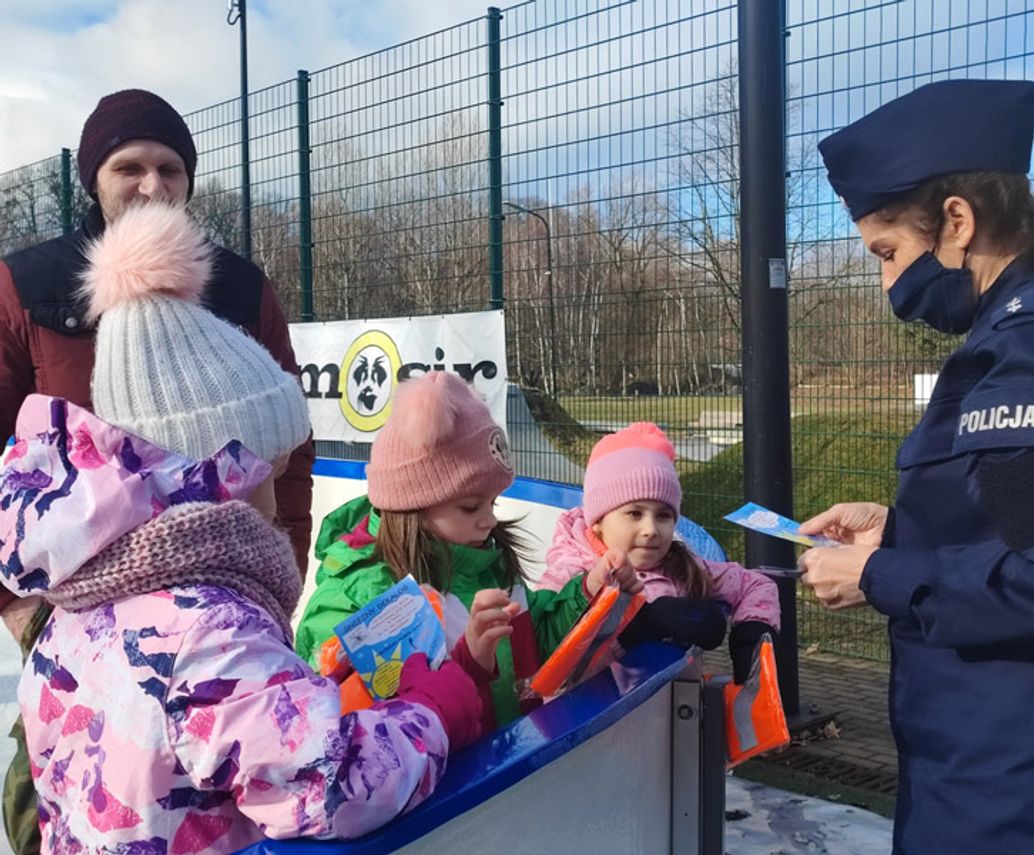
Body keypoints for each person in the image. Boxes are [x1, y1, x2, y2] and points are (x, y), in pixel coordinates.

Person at [0, 203, 482, 852]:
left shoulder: (70, 613)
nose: (277, 505)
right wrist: (436, 708)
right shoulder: (212, 634)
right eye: (267, 473)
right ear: (208, 479)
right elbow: (332, 784)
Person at [800, 78, 1034, 853]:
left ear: (957, 220)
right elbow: (1028, 522)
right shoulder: (1020, 340)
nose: (888, 283)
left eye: (887, 253)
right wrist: (903, 528)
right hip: (994, 773)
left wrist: (883, 575)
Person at [0, 88, 316, 854]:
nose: (151, 186)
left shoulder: (240, 289)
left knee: (219, 785)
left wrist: (285, 562)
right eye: (129, 167)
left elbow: (291, 445)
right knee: (64, 781)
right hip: (75, 600)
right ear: (93, 180)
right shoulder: (27, 285)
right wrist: (16, 604)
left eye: (170, 169)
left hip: (219, 583)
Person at [295, 371, 642, 733]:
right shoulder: (359, 597)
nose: (489, 520)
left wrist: (590, 592)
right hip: (452, 787)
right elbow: (360, 730)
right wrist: (469, 664)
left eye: (492, 503)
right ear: (413, 505)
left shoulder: (488, 566)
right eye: (470, 507)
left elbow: (535, 644)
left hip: (506, 766)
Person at [537, 422, 781, 682]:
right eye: (634, 513)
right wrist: (636, 628)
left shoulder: (679, 566)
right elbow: (546, 663)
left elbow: (756, 584)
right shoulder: (572, 574)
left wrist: (750, 644)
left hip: (665, 712)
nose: (651, 529)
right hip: (590, 718)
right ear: (597, 521)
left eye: (663, 515)